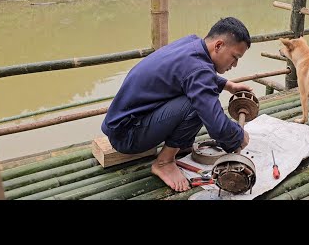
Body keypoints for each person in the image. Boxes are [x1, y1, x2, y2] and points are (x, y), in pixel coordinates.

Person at [101, 17, 252, 192]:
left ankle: (180, 142)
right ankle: (164, 162)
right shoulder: (199, 70)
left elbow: (193, 74)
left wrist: (228, 85)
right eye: (235, 57)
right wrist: (237, 136)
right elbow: (217, 125)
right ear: (218, 46)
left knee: (197, 98)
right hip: (127, 136)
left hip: (123, 124)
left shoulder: (193, 43)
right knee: (196, 104)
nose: (235, 64)